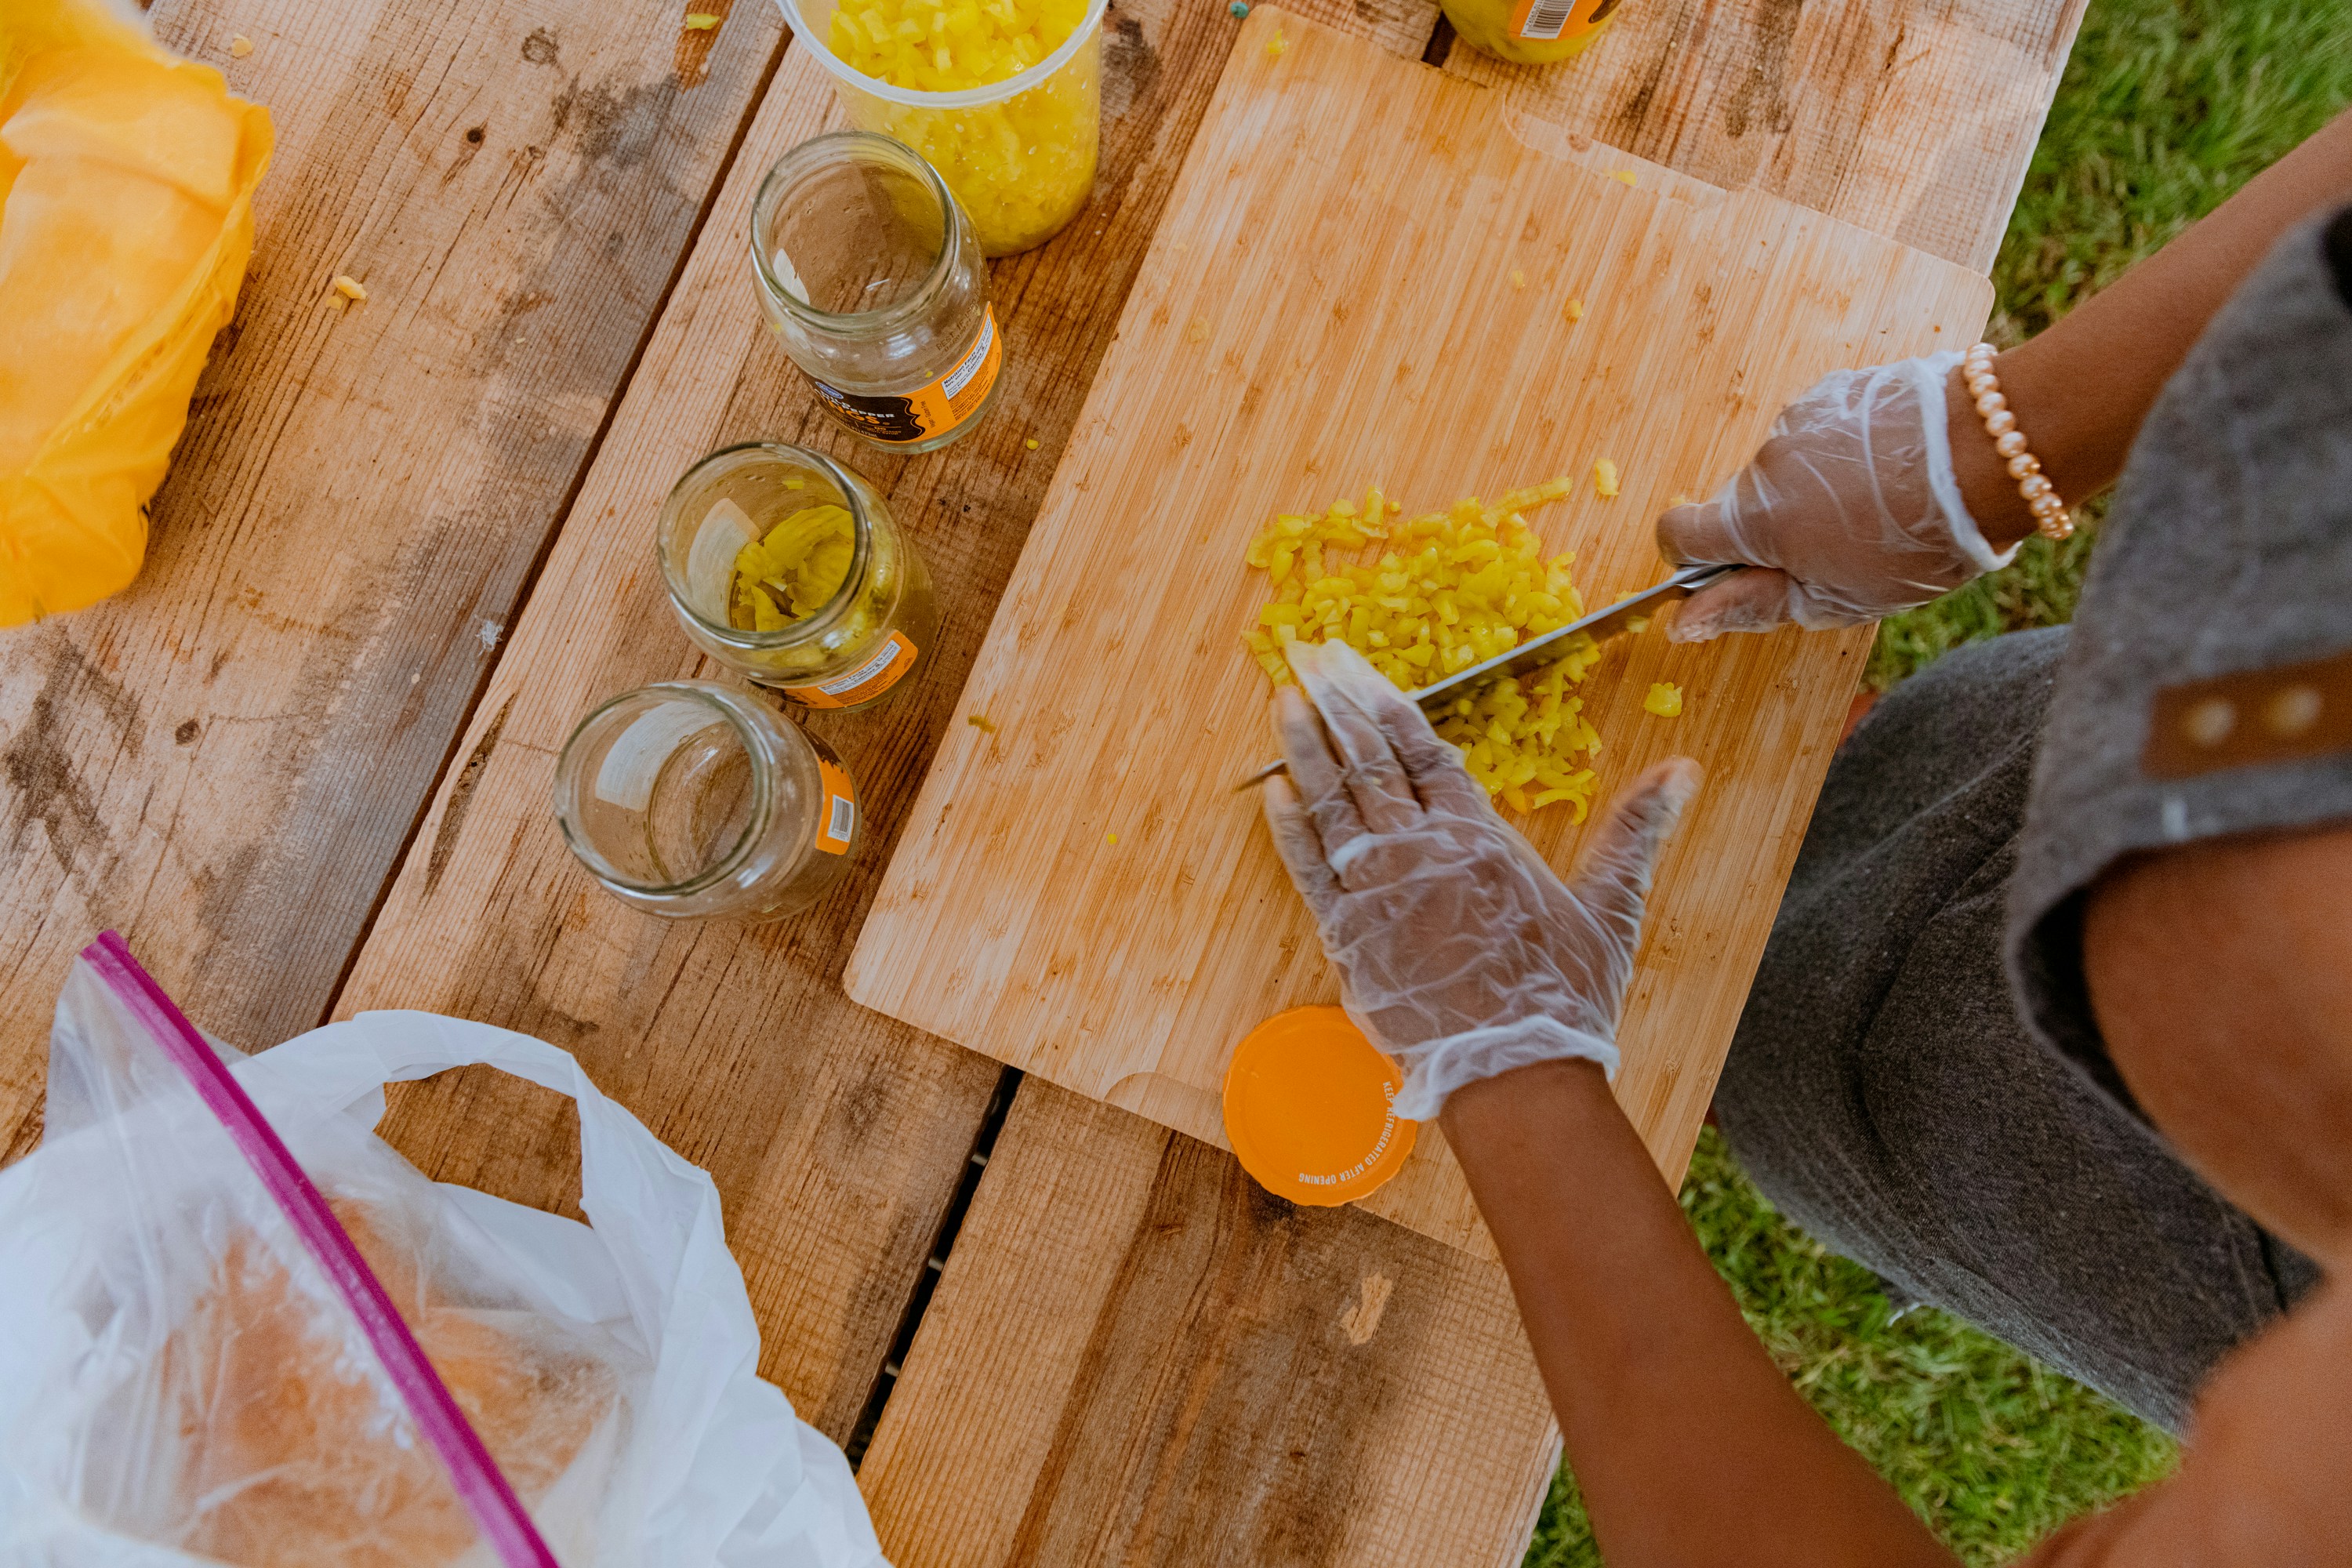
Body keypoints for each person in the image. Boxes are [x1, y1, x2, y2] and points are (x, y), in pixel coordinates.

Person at [1260, 108, 2352, 1563]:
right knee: (1948, 787)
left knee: (1842, 1082)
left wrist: (1511, 1073)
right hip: (2139, 761)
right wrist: (1994, 446)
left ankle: (1795, 1077)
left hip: (2132, 1213)